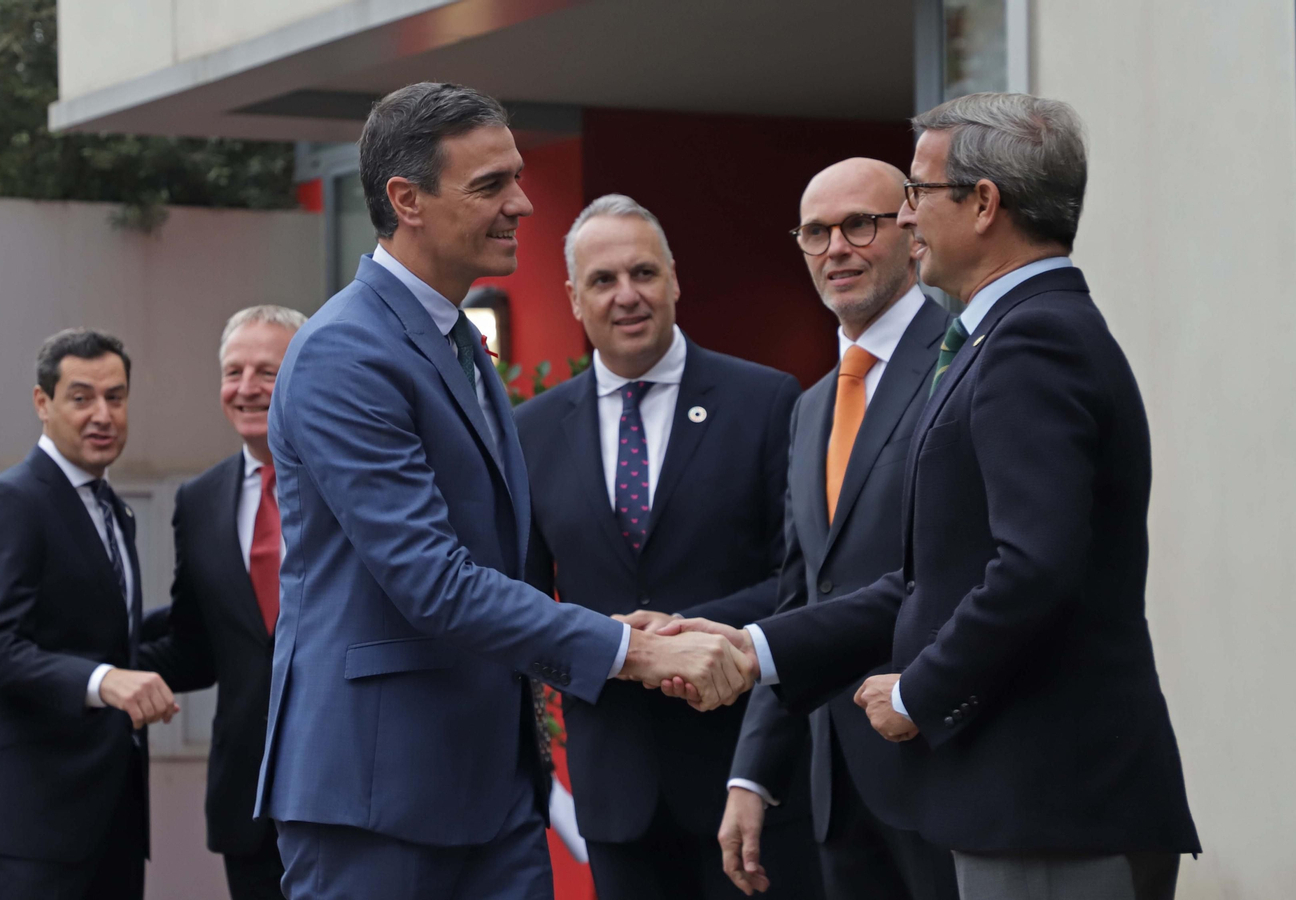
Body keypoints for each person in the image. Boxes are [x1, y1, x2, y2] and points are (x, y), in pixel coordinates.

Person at [664, 93, 1200, 900]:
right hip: (1017, 805)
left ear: (984, 204)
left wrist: (918, 691)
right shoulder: (1005, 336)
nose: (907, 219)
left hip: (1050, 805)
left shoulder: (1033, 339)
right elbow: (930, 577)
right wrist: (753, 649)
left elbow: (1035, 567)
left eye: (917, 193)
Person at [259, 81, 754, 900]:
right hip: (378, 800)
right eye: (491, 185)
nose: (523, 204)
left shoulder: (458, 343)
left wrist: (605, 627)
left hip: (489, 796)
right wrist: (632, 652)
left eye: (517, 177)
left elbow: (496, 568)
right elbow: (432, 580)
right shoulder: (344, 354)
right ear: (405, 200)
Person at [514, 194, 817, 900]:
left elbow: (802, 579)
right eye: (603, 280)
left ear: (675, 279)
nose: (627, 296)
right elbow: (521, 606)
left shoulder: (767, 401)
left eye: (643, 273)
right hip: (616, 791)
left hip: (747, 778)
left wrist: (685, 632)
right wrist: (609, 645)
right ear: (573, 298)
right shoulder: (528, 432)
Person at [721, 159, 957, 900]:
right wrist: (753, 771)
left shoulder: (965, 359)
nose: (836, 249)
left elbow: (959, 571)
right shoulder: (813, 406)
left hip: (944, 762)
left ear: (913, 234)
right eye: (815, 233)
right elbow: (804, 597)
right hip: (839, 788)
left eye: (860, 224)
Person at [0, 328, 177, 900]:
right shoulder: (11, 502)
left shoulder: (111, 508)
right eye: (81, 398)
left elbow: (106, 639)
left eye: (116, 397)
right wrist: (104, 682)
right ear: (42, 403)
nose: (102, 414)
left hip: (111, 821)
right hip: (30, 828)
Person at [138, 305, 307, 900]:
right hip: (248, 797)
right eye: (233, 372)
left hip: (351, 786)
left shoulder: (353, 481)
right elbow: (198, 645)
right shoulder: (200, 499)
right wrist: (91, 664)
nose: (246, 388)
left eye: (267, 370)